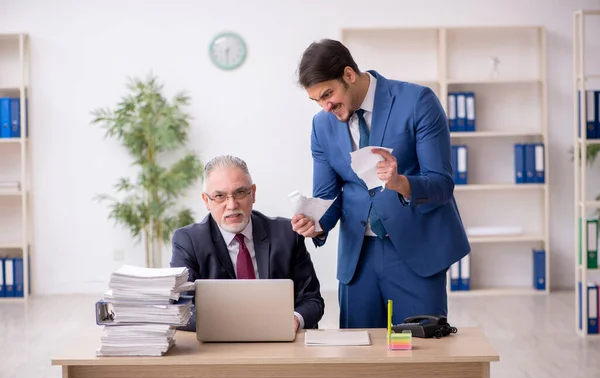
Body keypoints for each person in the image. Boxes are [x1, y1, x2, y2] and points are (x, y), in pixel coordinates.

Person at [291, 39, 470, 329]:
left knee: (420, 355)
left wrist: (401, 183)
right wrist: (316, 223)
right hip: (358, 259)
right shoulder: (321, 125)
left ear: (349, 75)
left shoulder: (417, 102)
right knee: (360, 361)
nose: (326, 107)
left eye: (328, 94)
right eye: (317, 101)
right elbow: (328, 197)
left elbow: (442, 184)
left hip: (416, 251)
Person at [170, 154, 325, 332]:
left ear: (253, 194)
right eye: (220, 196)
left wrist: (295, 319)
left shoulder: (286, 234)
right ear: (206, 201)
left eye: (240, 193)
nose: (231, 205)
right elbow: (181, 307)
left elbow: (312, 301)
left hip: (278, 340)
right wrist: (240, 325)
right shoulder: (188, 241)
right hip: (219, 344)